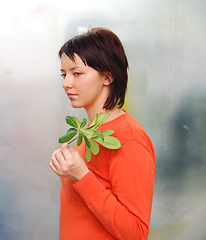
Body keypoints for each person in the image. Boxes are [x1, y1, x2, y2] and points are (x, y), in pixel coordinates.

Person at [49, 27, 155, 240]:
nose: (66, 83)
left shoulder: (129, 138)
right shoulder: (88, 132)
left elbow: (136, 233)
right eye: (64, 74)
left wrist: (82, 176)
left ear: (107, 77)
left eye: (76, 73)